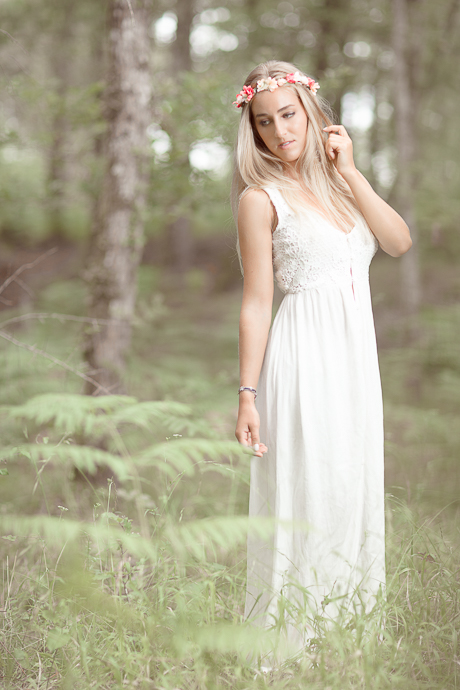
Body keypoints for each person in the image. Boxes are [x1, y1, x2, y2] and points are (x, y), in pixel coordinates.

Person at [231, 61, 412, 655]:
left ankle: (345, 636)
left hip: (356, 359)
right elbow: (257, 304)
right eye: (264, 122)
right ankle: (291, 641)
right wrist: (247, 394)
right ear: (253, 131)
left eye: (288, 115)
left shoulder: (342, 185)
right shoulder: (260, 200)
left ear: (310, 114)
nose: (279, 132)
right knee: (310, 487)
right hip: (303, 357)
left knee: (349, 483)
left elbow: (397, 241)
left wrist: (352, 170)